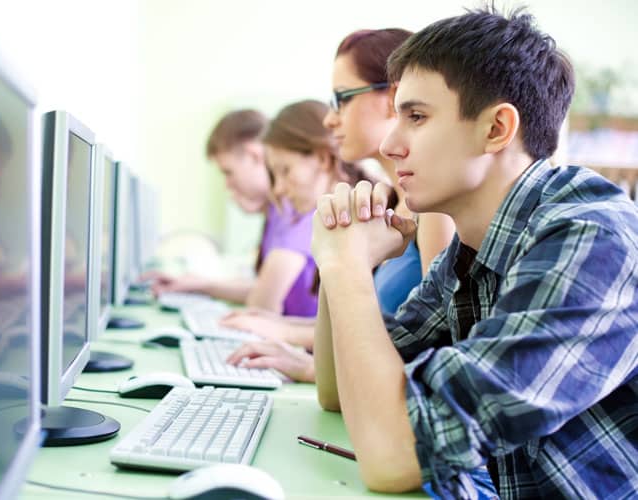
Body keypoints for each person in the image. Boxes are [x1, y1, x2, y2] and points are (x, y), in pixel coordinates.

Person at [311, 7, 638, 498]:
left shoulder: (592, 241)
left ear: (495, 129)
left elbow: (394, 455)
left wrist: (345, 265)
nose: (389, 142)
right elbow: (338, 394)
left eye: (416, 117)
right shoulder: (472, 250)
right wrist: (345, 251)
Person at [222, 29, 454, 349]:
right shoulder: (393, 201)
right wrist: (281, 327)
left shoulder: (432, 210)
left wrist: (290, 340)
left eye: (341, 99)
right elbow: (368, 327)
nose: (330, 120)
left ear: (393, 97)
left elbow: (431, 343)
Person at [143, 109, 318, 316]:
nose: (227, 184)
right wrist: (200, 285)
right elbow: (260, 288)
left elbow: (261, 303)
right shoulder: (275, 212)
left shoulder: (295, 209)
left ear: (255, 155)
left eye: (229, 172)